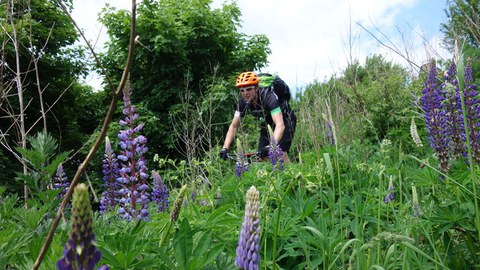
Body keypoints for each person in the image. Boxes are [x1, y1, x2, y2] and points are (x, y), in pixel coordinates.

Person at [219, 71, 297, 163]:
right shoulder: (243, 102)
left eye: (248, 89)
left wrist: (271, 145)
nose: (245, 93)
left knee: (279, 152)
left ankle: (291, 175)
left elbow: (280, 125)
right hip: (268, 121)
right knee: (261, 157)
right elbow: (233, 126)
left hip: (286, 118)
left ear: (256, 88)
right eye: (242, 90)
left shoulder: (268, 97)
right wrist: (225, 148)